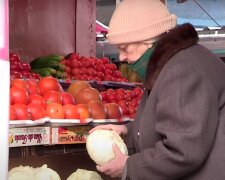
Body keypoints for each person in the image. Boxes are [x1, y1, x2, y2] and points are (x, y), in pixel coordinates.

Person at [89, 0, 225, 179]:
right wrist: (127, 132)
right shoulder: (169, 64)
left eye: (125, 48)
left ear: (149, 40)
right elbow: (168, 123)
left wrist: (130, 167)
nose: (121, 57)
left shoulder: (182, 71)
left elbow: (182, 151)